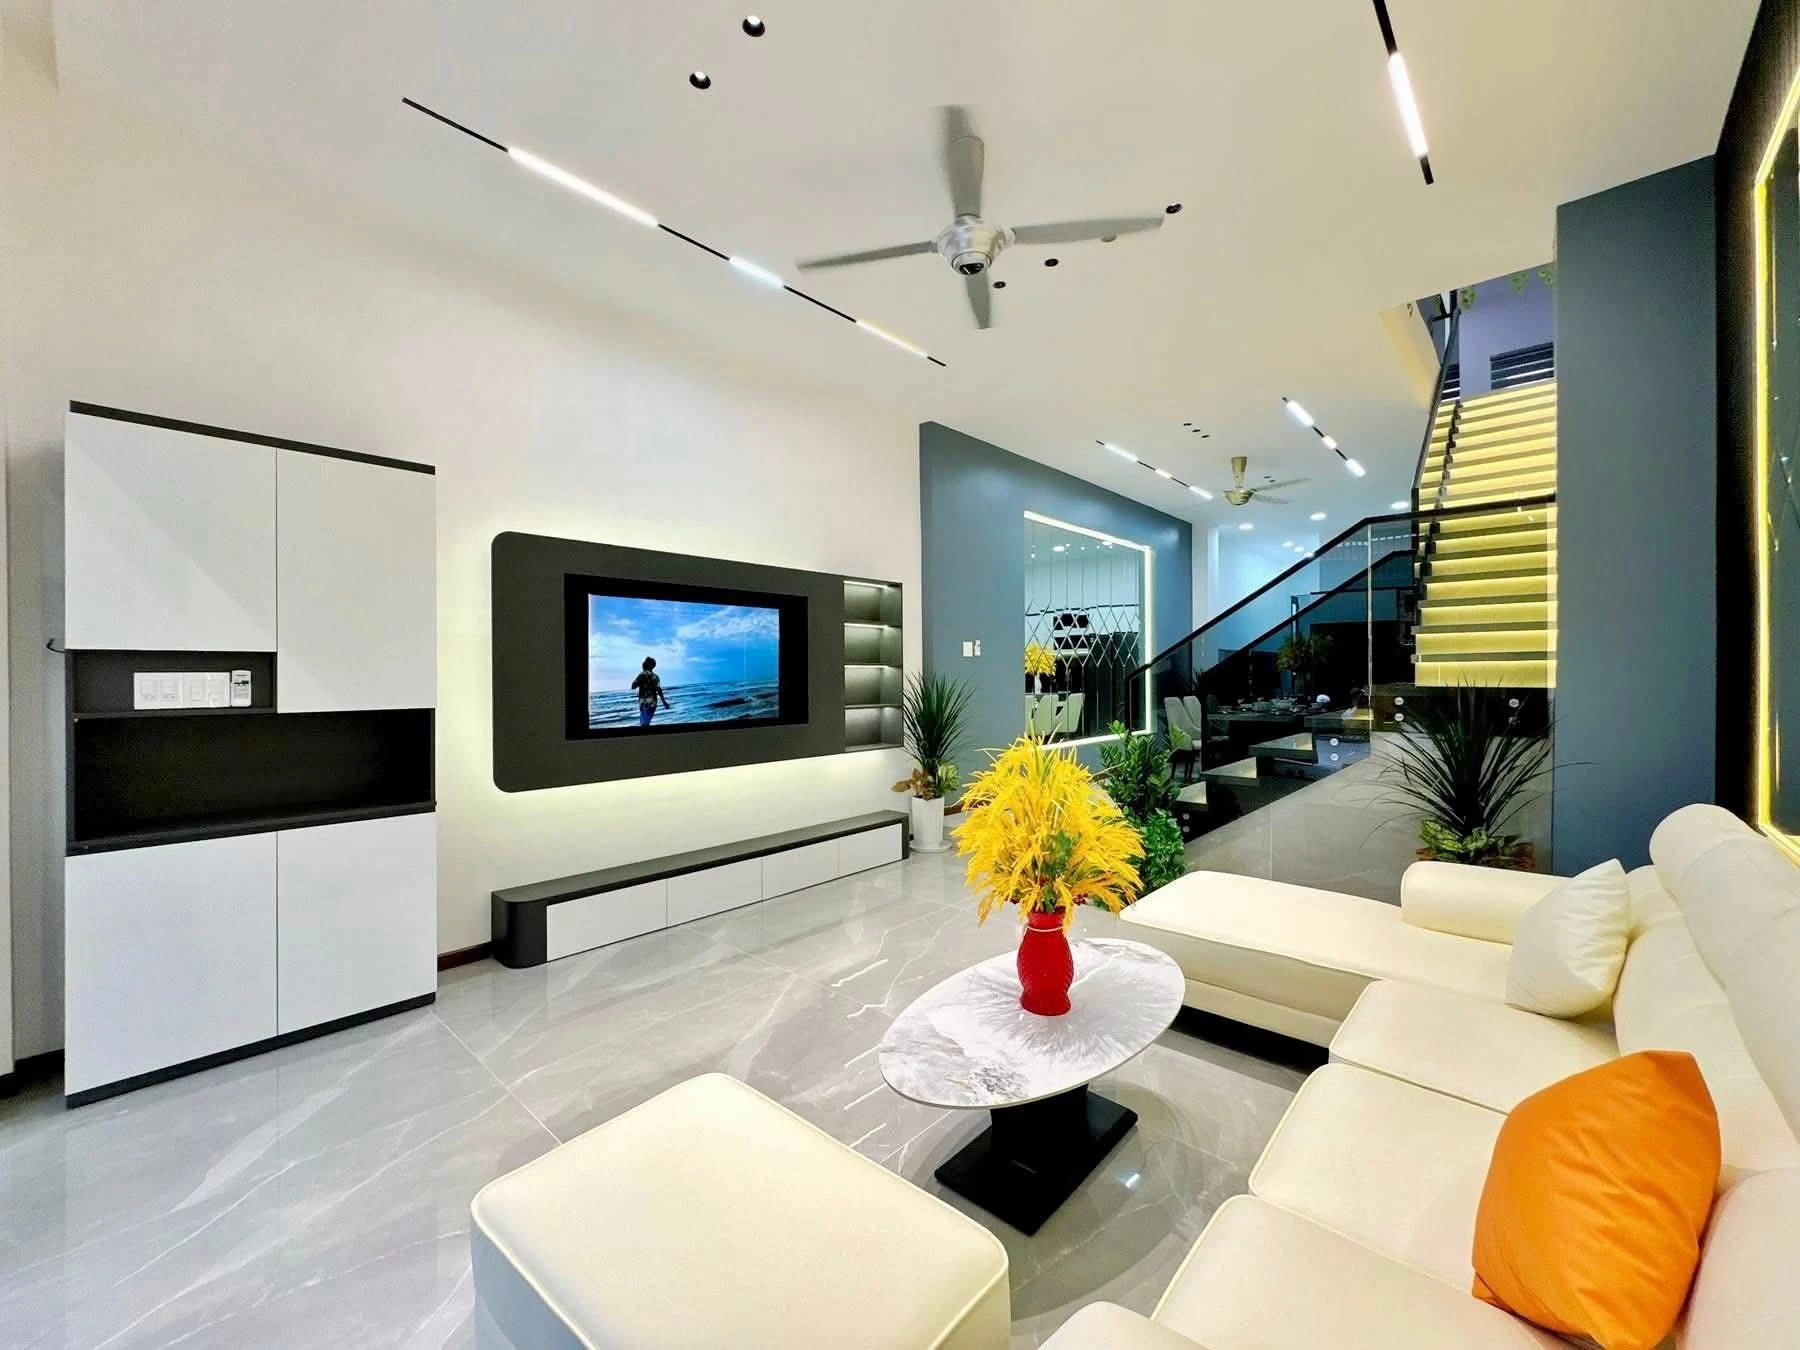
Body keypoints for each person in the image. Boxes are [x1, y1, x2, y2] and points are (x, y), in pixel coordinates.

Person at [631, 657, 672, 727]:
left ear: (645, 665)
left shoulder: (642, 675)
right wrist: (664, 702)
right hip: (653, 703)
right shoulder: (656, 676)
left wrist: (641, 683)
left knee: (644, 724)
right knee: (646, 722)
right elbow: (659, 690)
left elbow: (633, 686)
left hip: (644, 703)